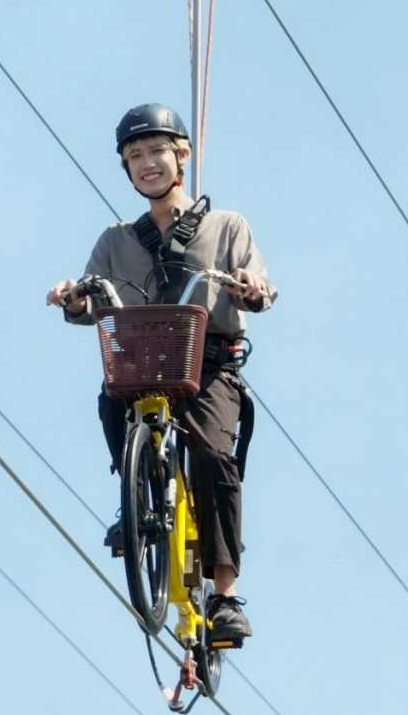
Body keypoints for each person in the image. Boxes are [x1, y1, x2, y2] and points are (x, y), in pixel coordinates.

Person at [44, 104, 274, 641]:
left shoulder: (225, 226)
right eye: (135, 156)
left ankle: (224, 595)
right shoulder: (115, 240)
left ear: (182, 155)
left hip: (208, 364)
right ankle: (139, 494)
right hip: (142, 363)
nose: (147, 164)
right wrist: (69, 297)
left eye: (156, 152)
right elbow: (88, 298)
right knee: (110, 398)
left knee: (214, 457)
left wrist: (250, 288)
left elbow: (260, 287)